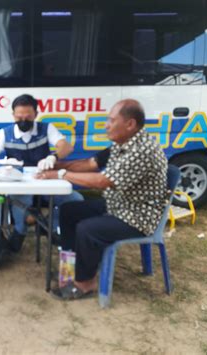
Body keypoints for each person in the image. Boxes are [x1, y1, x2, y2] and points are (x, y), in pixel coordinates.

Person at [37, 99, 168, 300]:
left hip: (137, 216)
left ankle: (85, 282)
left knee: (88, 229)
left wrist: (61, 174)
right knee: (69, 211)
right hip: (118, 205)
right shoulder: (121, 144)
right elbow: (91, 164)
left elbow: (101, 181)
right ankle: (70, 267)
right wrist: (56, 162)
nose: (106, 125)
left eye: (111, 120)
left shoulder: (142, 150)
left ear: (130, 124)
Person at [0, 94, 83, 252]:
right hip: (19, 182)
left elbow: (66, 146)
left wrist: (53, 157)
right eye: (19, 117)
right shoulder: (5, 133)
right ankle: (19, 232)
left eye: (28, 117)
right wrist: (3, 164)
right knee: (19, 200)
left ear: (36, 114)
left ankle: (47, 225)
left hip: (45, 178)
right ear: (13, 115)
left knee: (76, 200)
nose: (23, 121)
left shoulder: (46, 128)